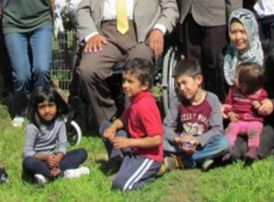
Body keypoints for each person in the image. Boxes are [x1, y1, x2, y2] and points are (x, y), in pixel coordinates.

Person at [77, 0, 178, 125]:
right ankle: (108, 119)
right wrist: (91, 34)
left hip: (142, 35)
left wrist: (159, 29)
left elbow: (171, 8)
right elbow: (82, 10)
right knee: (87, 70)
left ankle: (132, 120)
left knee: (137, 68)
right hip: (106, 35)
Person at [222, 9, 274, 160]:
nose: (238, 37)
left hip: (265, 120)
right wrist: (224, 107)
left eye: (242, 31)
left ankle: (259, 150)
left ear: (251, 30)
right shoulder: (226, 58)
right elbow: (220, 93)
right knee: (235, 149)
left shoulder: (269, 55)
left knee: (258, 142)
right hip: (237, 119)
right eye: (233, 32)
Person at [100, 58, 163, 192]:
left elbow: (156, 139)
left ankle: (150, 174)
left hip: (148, 156)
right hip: (135, 149)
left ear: (144, 85)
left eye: (130, 81)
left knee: (121, 186)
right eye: (124, 80)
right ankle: (124, 165)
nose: (124, 85)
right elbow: (123, 118)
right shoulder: (135, 100)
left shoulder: (145, 106)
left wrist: (128, 142)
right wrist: (112, 127)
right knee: (104, 126)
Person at [161, 59, 230, 173]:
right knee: (159, 139)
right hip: (181, 144)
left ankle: (181, 160)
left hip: (202, 144)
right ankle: (202, 159)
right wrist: (177, 139)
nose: (181, 88)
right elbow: (166, 126)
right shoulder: (177, 100)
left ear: (198, 79)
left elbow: (217, 129)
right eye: (178, 84)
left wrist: (197, 140)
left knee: (224, 143)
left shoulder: (212, 99)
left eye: (184, 83)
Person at [23, 85, 89, 184]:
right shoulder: (32, 126)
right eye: (42, 107)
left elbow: (63, 144)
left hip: (55, 158)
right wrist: (46, 158)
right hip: (39, 159)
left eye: (50, 105)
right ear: (35, 109)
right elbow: (27, 152)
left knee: (82, 153)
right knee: (28, 162)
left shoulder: (59, 121)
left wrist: (57, 159)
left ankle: (46, 175)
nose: (47, 111)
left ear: (57, 105)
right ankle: (63, 174)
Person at [223, 62, 268, 162]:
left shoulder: (260, 93)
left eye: (236, 76)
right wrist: (230, 113)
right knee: (231, 129)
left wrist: (259, 106)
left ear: (244, 85)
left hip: (253, 121)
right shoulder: (233, 90)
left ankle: (253, 150)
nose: (234, 78)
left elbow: (264, 110)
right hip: (238, 121)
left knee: (254, 131)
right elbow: (228, 104)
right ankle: (228, 150)